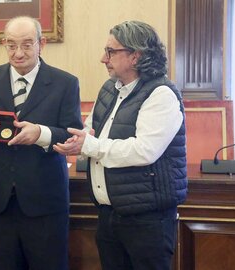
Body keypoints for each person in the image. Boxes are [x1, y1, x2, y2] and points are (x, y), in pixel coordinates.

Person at [54, 21, 187, 270]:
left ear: (135, 56)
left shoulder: (161, 94)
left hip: (148, 220)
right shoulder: (110, 89)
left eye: (111, 51)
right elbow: (91, 129)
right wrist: (78, 141)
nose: (103, 59)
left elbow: (144, 150)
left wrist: (90, 145)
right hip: (109, 214)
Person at [0, 16, 82, 270]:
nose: (18, 53)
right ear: (4, 44)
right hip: (0, 204)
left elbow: (71, 134)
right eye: (11, 45)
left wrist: (40, 134)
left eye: (27, 45)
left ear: (41, 43)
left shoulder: (65, 83)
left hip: (45, 203)